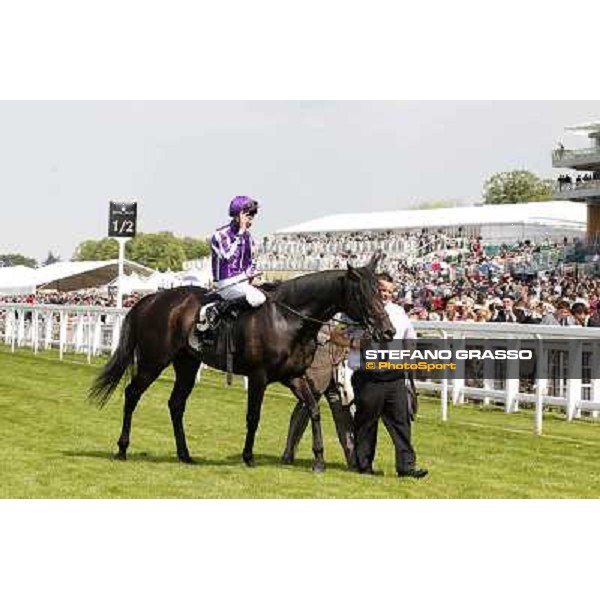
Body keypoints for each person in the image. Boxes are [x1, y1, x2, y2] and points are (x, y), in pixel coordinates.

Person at [331, 273, 428, 479]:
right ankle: (363, 466)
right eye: (383, 290)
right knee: (367, 423)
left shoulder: (398, 311)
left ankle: (407, 467)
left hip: (395, 376)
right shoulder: (356, 312)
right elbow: (335, 336)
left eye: (390, 292)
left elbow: (410, 339)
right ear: (374, 289)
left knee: (401, 423)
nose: (386, 295)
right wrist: (354, 344)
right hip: (369, 375)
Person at [202, 196, 266, 328]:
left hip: (242, 282)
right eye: (249, 215)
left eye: (253, 215)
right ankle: (218, 308)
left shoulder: (249, 238)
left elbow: (251, 262)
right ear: (238, 216)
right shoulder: (220, 235)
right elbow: (227, 257)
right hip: (225, 282)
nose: (251, 219)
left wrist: (251, 276)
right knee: (259, 298)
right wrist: (241, 232)